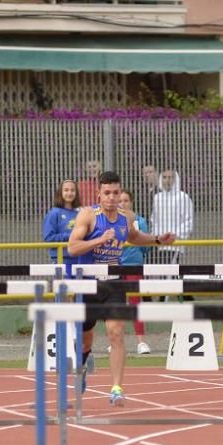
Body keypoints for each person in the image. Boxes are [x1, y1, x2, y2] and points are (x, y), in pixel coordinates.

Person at [68, 171, 174, 406]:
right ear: (99, 194)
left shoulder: (127, 217)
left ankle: (116, 388)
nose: (112, 197)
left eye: (116, 193)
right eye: (107, 193)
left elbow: (134, 237)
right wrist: (98, 240)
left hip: (114, 281)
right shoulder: (88, 216)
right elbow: (73, 248)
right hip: (88, 282)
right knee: (84, 341)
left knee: (116, 333)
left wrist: (157, 239)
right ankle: (84, 361)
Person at [118, 190, 151, 354]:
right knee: (116, 303)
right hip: (114, 266)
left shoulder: (140, 221)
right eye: (120, 200)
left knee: (135, 302)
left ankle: (141, 342)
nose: (122, 203)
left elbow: (145, 245)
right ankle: (116, 341)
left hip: (133, 265)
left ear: (131, 203)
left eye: (126, 200)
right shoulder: (110, 221)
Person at [149, 169, 193, 266]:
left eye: (170, 177)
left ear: (175, 179)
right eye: (164, 177)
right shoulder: (157, 198)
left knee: (172, 273)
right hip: (159, 245)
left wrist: (175, 235)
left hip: (175, 244)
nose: (167, 180)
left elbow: (188, 221)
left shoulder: (183, 197)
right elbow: (154, 220)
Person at [42, 179, 80, 276]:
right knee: (64, 290)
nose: (69, 193)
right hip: (61, 259)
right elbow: (49, 238)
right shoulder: (54, 213)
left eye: (72, 190)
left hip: (79, 259)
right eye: (66, 190)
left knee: (80, 289)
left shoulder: (81, 213)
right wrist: (71, 236)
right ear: (60, 192)